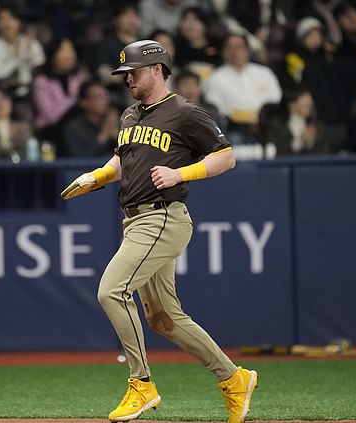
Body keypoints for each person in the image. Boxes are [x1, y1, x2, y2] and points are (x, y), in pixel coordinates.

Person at [60, 39, 257, 423]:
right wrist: (96, 177)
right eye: (124, 72)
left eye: (133, 70)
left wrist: (181, 173)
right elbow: (121, 159)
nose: (128, 77)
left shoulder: (185, 112)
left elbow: (226, 157)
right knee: (164, 318)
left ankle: (142, 383)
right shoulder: (130, 114)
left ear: (157, 69)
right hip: (134, 219)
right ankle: (234, 379)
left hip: (163, 216)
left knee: (111, 290)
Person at [202, 33, 282, 144]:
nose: (235, 52)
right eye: (230, 48)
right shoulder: (215, 77)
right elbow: (215, 109)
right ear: (223, 52)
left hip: (266, 128)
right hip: (233, 130)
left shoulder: (265, 73)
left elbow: (276, 100)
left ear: (247, 50)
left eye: (239, 47)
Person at [61, 80, 119, 158]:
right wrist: (103, 136)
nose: (103, 101)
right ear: (84, 102)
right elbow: (77, 158)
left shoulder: (115, 122)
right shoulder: (74, 128)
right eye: (97, 96)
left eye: (105, 95)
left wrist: (117, 135)